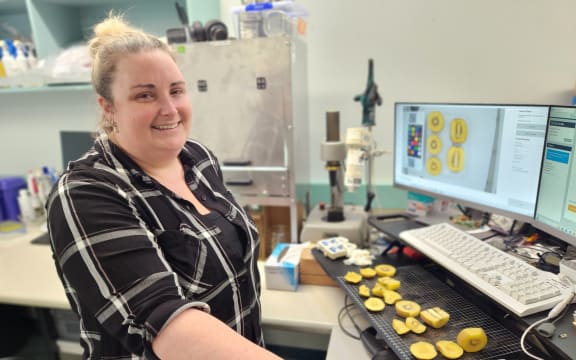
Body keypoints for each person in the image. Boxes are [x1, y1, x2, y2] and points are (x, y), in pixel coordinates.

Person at [46, 14, 282, 359]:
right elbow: (169, 326)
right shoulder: (85, 193)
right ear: (108, 107)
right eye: (145, 95)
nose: (169, 109)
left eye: (176, 90)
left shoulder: (198, 159)